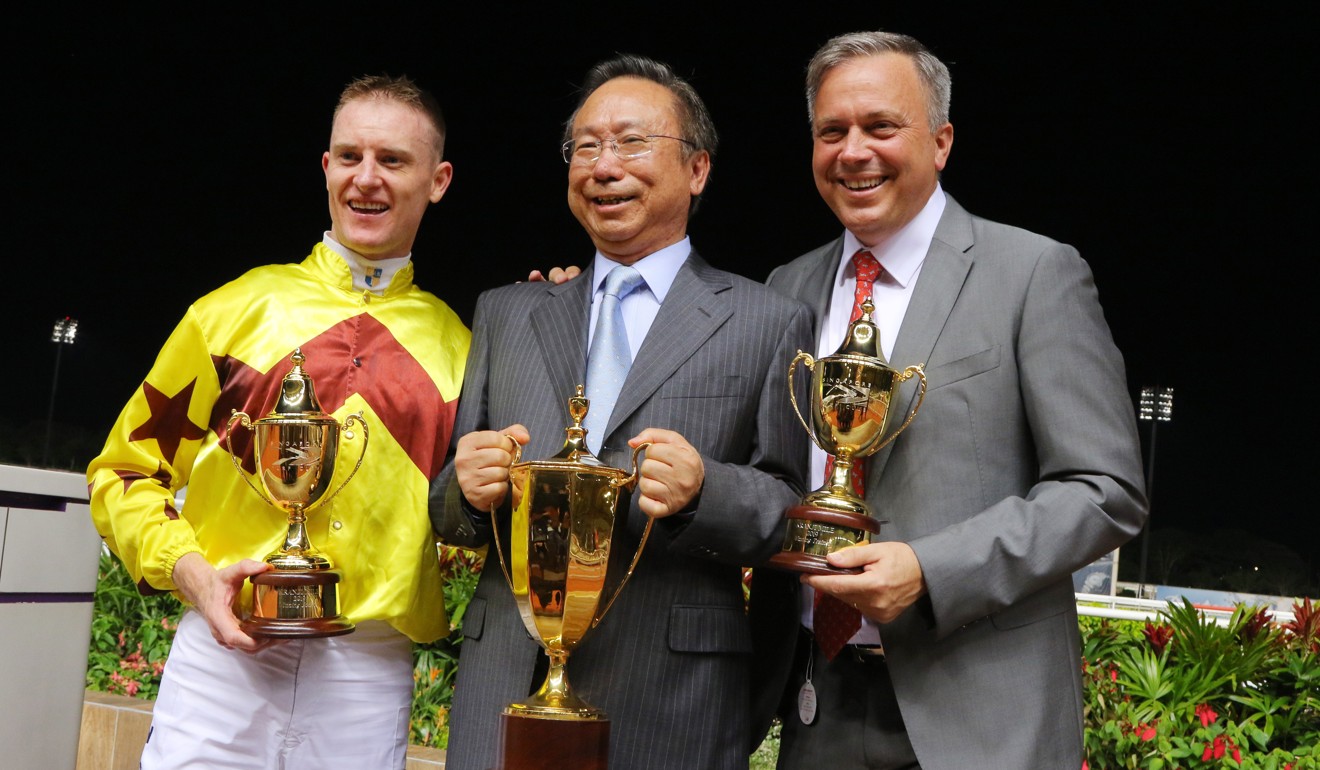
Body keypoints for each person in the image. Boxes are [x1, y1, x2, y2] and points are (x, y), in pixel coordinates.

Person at [749, 31, 1149, 769]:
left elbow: (1107, 491)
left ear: (941, 141)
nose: (853, 151)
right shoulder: (785, 290)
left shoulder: (1033, 273)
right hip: (819, 701)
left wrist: (933, 571)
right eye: (831, 131)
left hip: (984, 714)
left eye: (881, 126)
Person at [429, 54, 812, 770]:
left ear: (697, 170)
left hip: (672, 696)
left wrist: (706, 490)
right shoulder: (507, 312)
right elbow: (448, 510)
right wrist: (466, 489)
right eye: (586, 147)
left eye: (632, 142)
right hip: (506, 687)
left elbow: (789, 507)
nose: (604, 166)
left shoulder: (768, 320)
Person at [86, 74, 469, 770]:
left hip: (367, 665)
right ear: (325, 167)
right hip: (221, 655)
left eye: (393, 160)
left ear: (438, 180)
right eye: (349, 156)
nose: (366, 179)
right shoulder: (231, 310)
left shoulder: (465, 350)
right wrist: (195, 576)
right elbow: (120, 473)